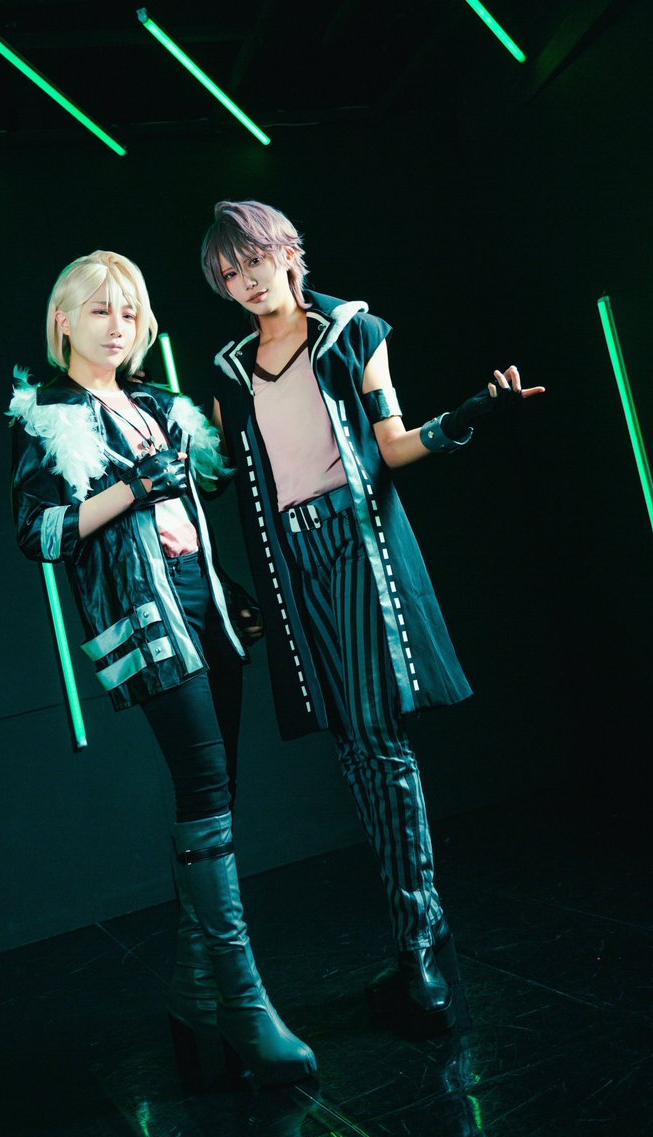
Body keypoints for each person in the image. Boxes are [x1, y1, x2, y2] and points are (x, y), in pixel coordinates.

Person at [201, 200, 545, 1038]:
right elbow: (218, 477)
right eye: (229, 273)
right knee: (353, 747)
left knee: (376, 737)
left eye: (254, 261)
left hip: (356, 546)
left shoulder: (352, 331)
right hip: (290, 564)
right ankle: (418, 938)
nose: (246, 282)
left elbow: (392, 446)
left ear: (288, 252)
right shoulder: (228, 370)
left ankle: (418, 945)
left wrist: (468, 415)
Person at [9, 248, 316, 1088]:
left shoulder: (160, 405)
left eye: (129, 312)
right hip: (144, 621)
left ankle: (192, 998)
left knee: (218, 798)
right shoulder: (45, 415)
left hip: (206, 608)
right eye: (99, 310)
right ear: (64, 320)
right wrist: (131, 490)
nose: (117, 326)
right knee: (205, 790)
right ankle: (245, 1009)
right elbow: (39, 532)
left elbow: (209, 482)